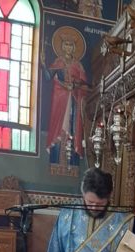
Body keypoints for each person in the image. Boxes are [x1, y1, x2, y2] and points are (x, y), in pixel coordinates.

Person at [44, 30, 89, 167]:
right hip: (60, 99)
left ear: (74, 48)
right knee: (59, 127)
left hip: (74, 98)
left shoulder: (78, 65)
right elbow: (49, 77)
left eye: (71, 45)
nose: (68, 47)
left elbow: (84, 83)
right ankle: (55, 161)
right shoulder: (58, 62)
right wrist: (42, 63)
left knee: (73, 127)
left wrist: (75, 85)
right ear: (63, 46)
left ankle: (72, 163)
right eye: (66, 44)